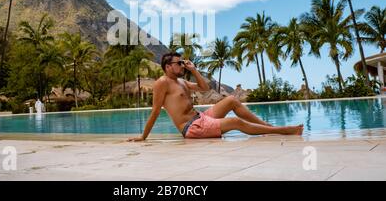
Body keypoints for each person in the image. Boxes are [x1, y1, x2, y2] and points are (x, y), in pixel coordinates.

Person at [128, 52, 303, 141]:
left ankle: (267, 127)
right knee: (235, 122)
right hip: (191, 127)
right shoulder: (162, 82)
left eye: (182, 62)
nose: (182, 65)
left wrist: (193, 69)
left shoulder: (181, 82)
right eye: (179, 63)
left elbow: (204, 88)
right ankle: (282, 131)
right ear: (167, 66)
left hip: (201, 117)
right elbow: (155, 111)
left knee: (232, 100)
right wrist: (143, 137)